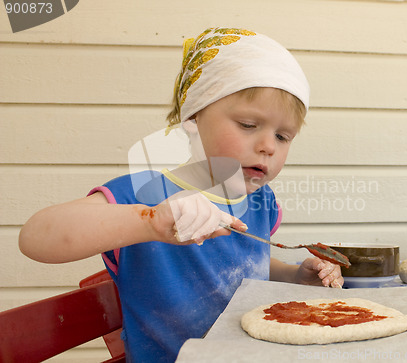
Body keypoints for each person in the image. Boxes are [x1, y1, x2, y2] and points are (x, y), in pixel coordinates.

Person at [19, 27, 344, 362]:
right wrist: (148, 222)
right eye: (248, 125)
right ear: (193, 117)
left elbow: (243, 265)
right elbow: (35, 237)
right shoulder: (144, 194)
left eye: (282, 136)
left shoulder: (262, 203)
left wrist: (294, 275)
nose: (267, 146)